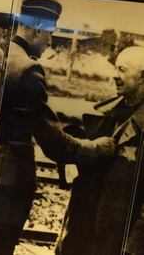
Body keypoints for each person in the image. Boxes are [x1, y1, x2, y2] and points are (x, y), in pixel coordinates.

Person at [0, 0, 115, 255]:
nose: (50, 41)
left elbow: (20, 110)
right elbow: (53, 142)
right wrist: (95, 148)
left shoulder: (1, 55)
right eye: (49, 34)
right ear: (38, 29)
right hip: (10, 177)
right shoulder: (30, 70)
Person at [56, 46, 144, 255]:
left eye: (122, 70)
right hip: (83, 229)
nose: (115, 76)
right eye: (115, 69)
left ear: (142, 77)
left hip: (116, 238)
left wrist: (133, 248)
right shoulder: (107, 111)